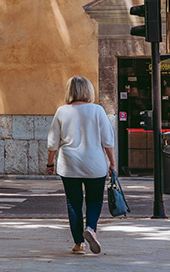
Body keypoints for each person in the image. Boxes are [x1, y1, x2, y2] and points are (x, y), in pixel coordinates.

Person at [46, 76, 116, 255]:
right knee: (95, 200)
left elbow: (53, 142)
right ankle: (91, 228)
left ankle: (79, 244)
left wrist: (50, 163)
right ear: (88, 91)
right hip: (95, 164)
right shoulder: (97, 110)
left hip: (70, 165)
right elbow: (108, 140)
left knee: (73, 203)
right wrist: (112, 164)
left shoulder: (61, 111)